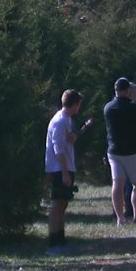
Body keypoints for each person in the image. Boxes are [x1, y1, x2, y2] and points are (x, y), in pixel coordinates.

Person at [105, 77, 136, 226]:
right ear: (128, 91)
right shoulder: (133, 108)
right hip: (132, 152)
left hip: (114, 151)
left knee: (117, 184)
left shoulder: (108, 108)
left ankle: (120, 218)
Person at [44, 89, 83, 253]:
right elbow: (58, 148)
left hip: (65, 167)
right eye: (79, 104)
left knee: (63, 204)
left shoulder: (67, 120)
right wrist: (65, 173)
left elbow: (66, 141)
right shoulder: (59, 121)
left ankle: (61, 238)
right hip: (59, 168)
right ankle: (53, 241)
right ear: (75, 104)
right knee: (57, 204)